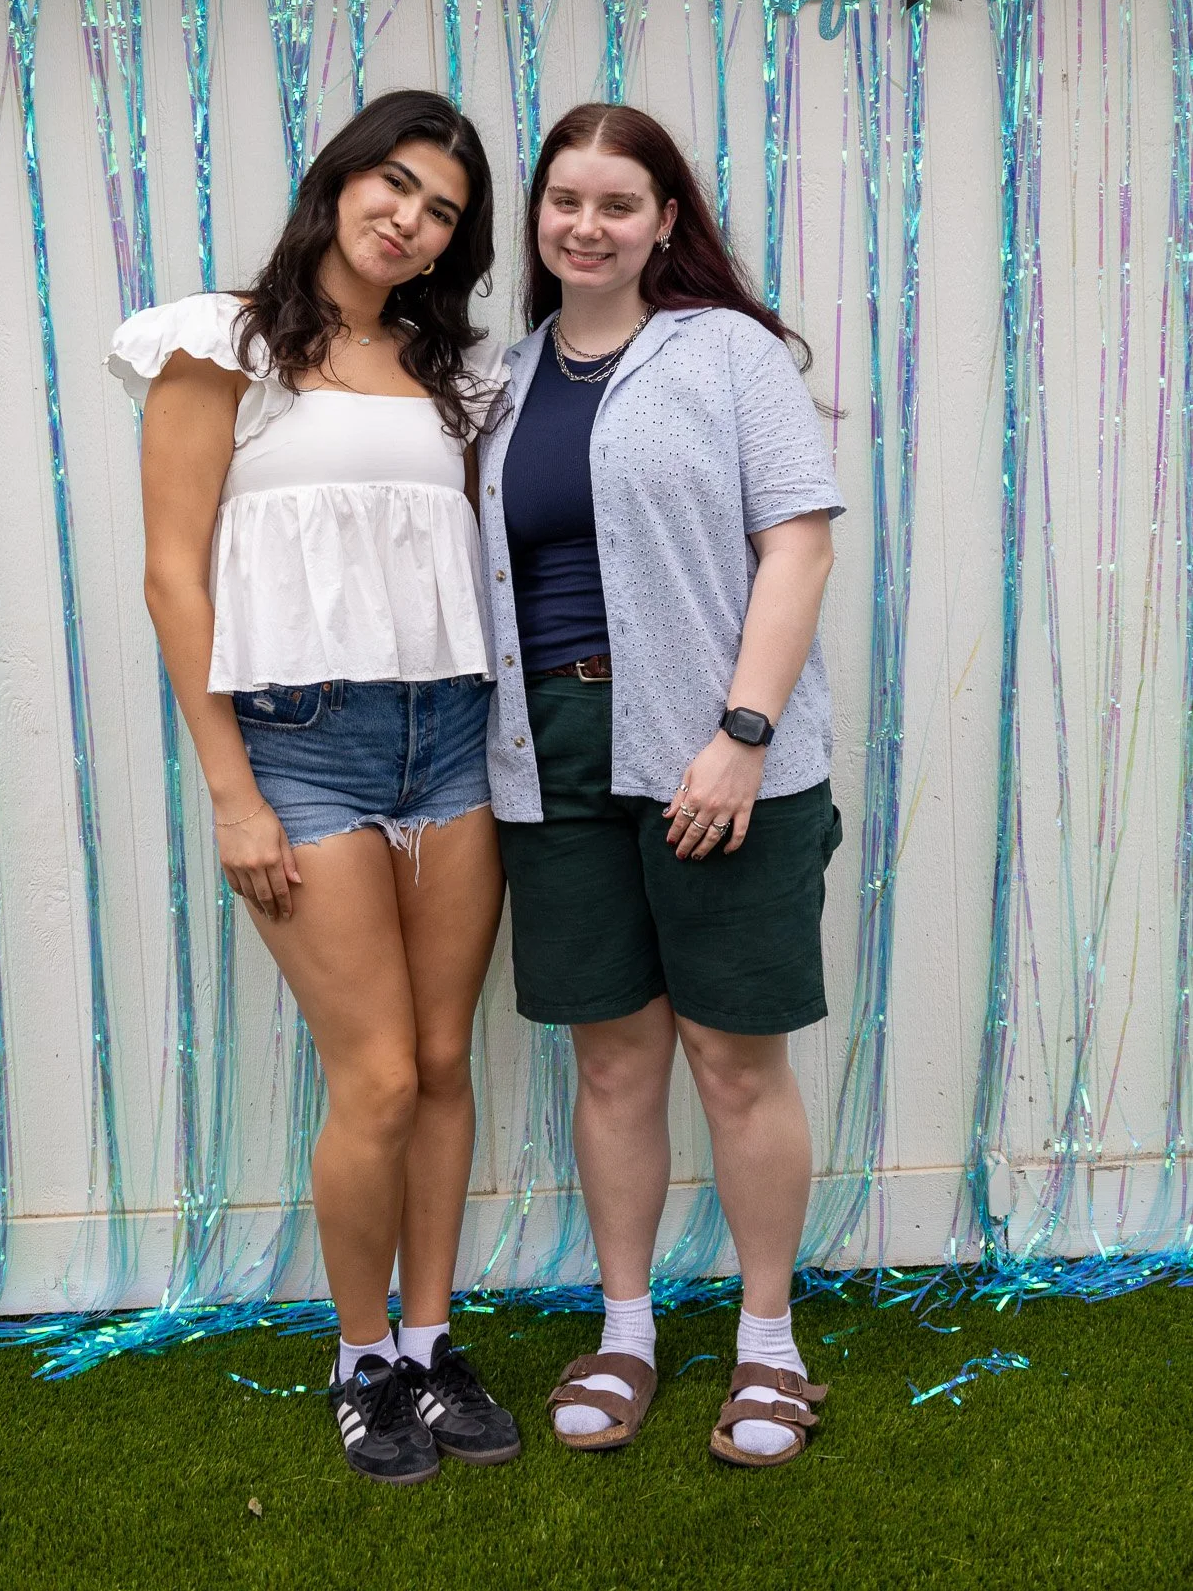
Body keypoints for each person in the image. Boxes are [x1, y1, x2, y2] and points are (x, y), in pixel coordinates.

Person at [106, 91, 519, 1487]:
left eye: (444, 209)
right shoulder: (219, 342)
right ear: (340, 182)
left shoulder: (445, 369)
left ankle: (428, 1342)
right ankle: (357, 1364)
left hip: (451, 735)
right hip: (302, 742)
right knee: (381, 1075)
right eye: (393, 183)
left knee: (449, 1062)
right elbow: (173, 574)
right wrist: (232, 788)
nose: (409, 217)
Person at [480, 103, 844, 1470]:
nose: (586, 223)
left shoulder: (728, 355)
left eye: (616, 203)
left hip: (716, 754)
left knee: (733, 1057)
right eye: (562, 200)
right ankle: (625, 1330)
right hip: (552, 756)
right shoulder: (506, 381)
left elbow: (797, 548)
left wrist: (741, 730)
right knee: (614, 1057)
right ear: (539, 221)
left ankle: (766, 1346)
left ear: (664, 222)